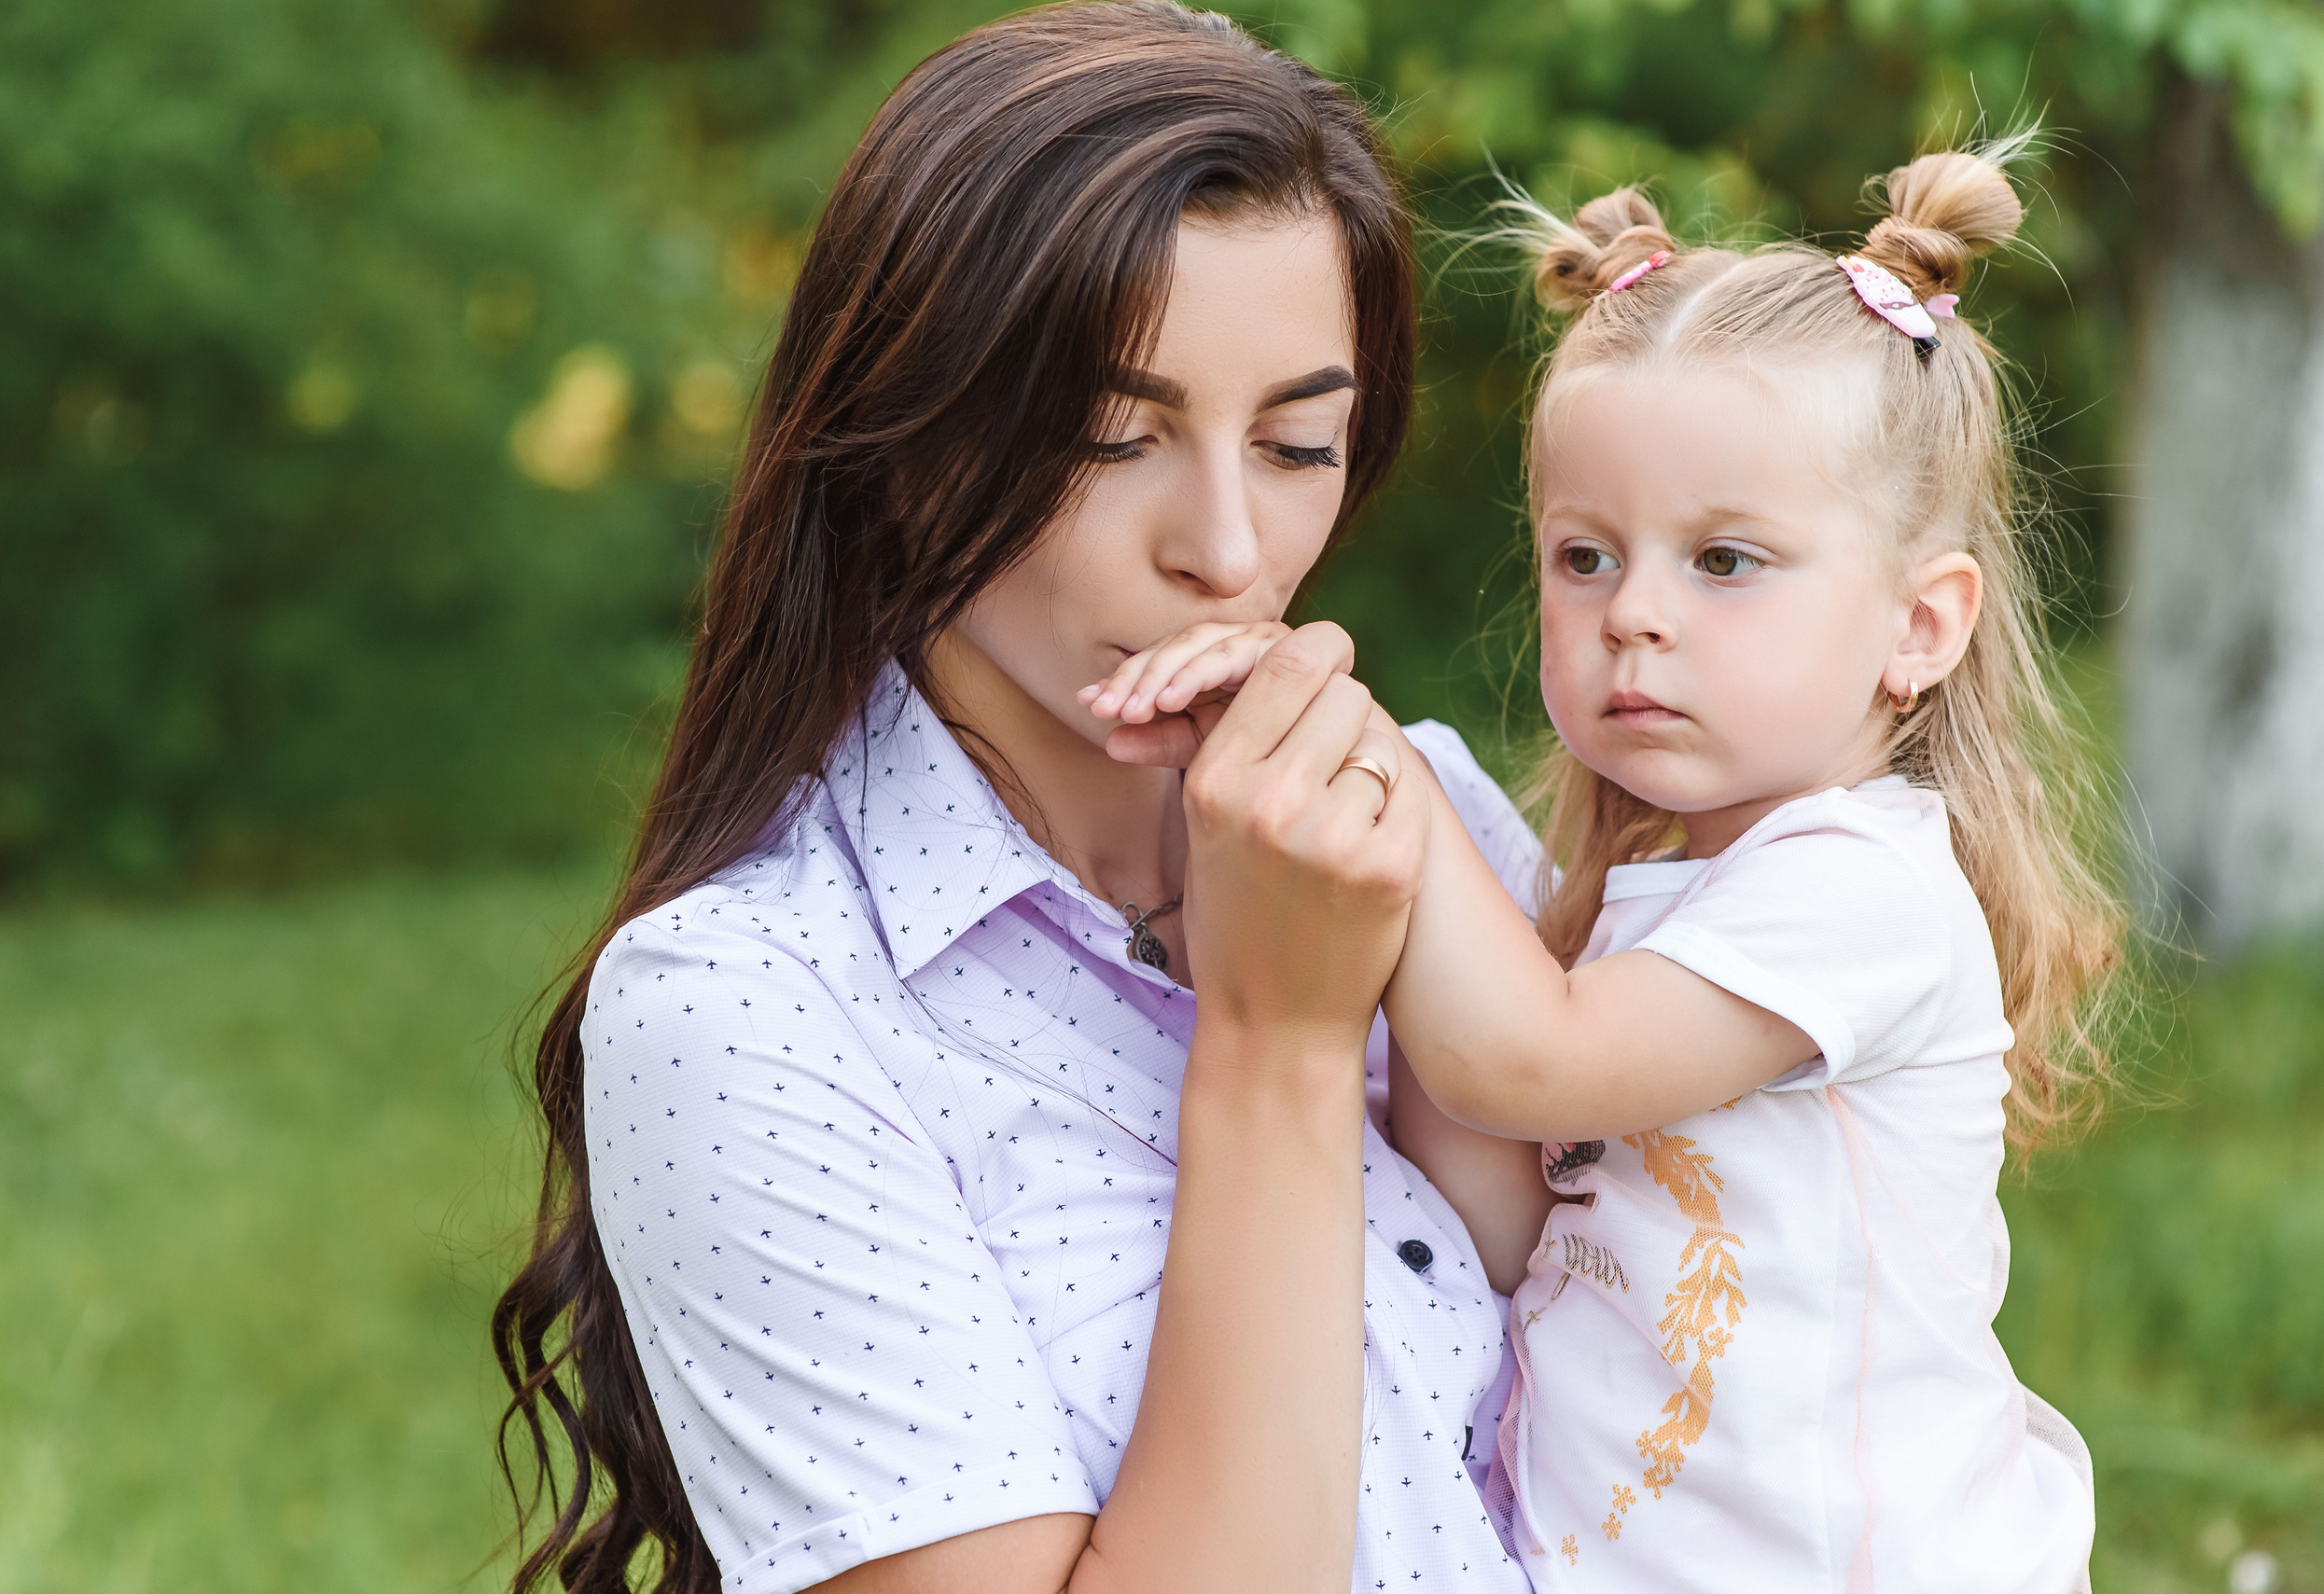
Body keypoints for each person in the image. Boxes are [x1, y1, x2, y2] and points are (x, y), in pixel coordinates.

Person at [492, 6, 1551, 1592]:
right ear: (900, 435)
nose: (1227, 547)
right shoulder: (746, 1006)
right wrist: (1277, 1042)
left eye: (1298, 441)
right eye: (1112, 435)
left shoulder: (1424, 816)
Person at [1087, 146, 2127, 1591]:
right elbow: (1512, 1214)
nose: (1634, 613)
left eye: (1726, 562)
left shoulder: (1862, 891)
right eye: (1584, 557)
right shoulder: (1653, 895)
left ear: (1921, 626)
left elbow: (1526, 1061)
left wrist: (1364, 756)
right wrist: (1305, 902)